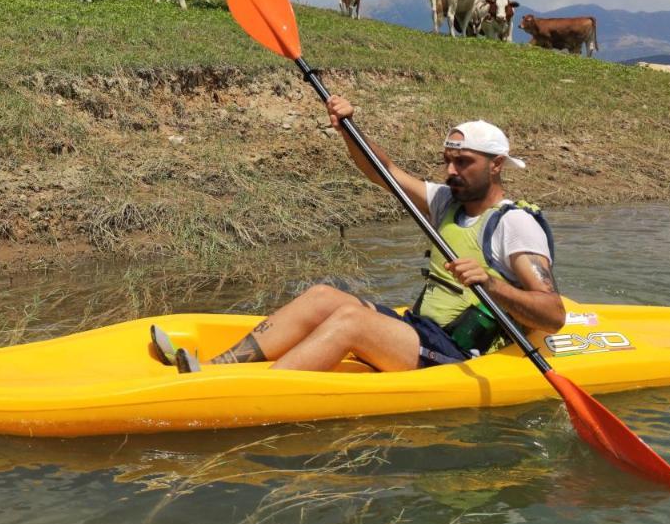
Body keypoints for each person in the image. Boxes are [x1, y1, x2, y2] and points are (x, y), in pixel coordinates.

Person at [151, 96, 566, 373]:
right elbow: (383, 172)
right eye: (447, 161)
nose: (450, 172)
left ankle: (254, 388)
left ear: (496, 166)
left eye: (464, 162)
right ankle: (219, 367)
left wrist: (490, 283)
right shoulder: (446, 201)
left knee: (350, 321)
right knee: (323, 298)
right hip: (423, 330)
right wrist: (349, 127)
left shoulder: (514, 225)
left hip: (461, 354)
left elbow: (553, 314)